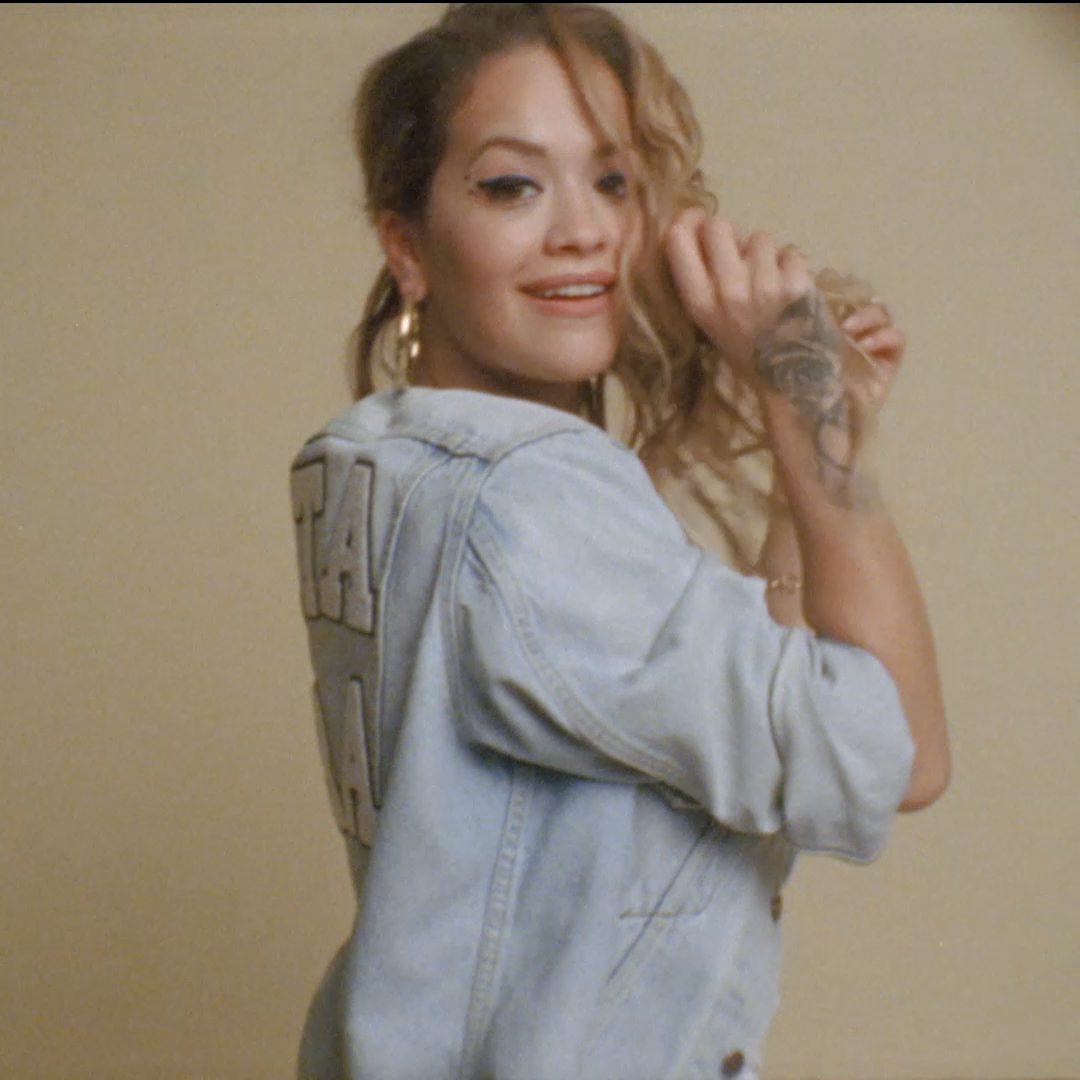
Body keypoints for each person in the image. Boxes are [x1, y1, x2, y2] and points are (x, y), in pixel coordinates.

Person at [289, 5, 950, 1078]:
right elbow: (902, 751)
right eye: (513, 185)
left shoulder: (383, 462)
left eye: (612, 180)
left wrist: (806, 460)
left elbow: (763, 715)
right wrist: (811, 413)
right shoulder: (526, 504)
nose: (583, 231)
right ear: (406, 246)